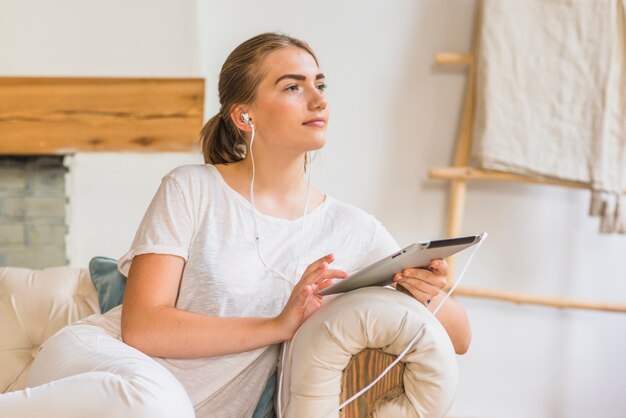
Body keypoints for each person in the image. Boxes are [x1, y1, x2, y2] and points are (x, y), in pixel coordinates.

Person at [0, 32, 470, 418]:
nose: (316, 99)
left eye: (319, 85)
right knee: (157, 407)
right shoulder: (191, 188)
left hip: (175, 410)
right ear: (245, 116)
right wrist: (278, 324)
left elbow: (459, 338)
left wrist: (426, 288)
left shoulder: (352, 229)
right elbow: (143, 328)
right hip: (102, 370)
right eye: (292, 87)